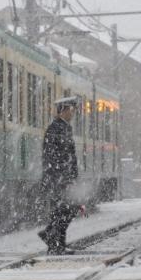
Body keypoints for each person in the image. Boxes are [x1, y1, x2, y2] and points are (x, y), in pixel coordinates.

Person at [38, 96, 81, 255]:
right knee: (64, 210)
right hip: (58, 178)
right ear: (63, 110)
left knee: (64, 210)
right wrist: (62, 176)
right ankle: (55, 242)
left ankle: (55, 241)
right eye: (71, 110)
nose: (73, 113)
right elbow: (52, 156)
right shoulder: (55, 129)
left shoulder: (64, 127)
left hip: (64, 177)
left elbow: (69, 155)